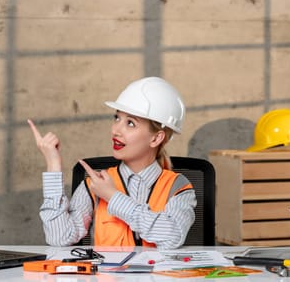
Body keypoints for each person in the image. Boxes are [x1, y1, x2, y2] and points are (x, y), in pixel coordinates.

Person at [28, 76, 196, 249]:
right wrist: (53, 167)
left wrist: (112, 197)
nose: (115, 130)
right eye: (117, 118)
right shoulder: (94, 185)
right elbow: (59, 238)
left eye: (130, 123)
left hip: (157, 276)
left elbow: (173, 236)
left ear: (156, 138)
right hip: (106, 276)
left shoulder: (178, 187)